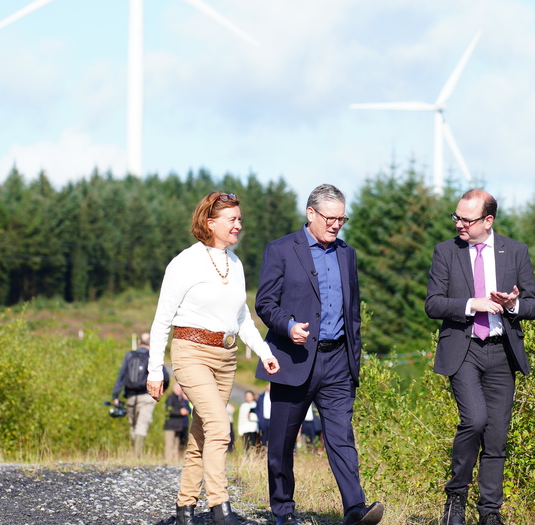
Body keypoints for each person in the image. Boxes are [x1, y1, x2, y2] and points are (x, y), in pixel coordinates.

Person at [146, 191, 281, 525]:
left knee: (202, 434)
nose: (239, 225)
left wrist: (265, 353)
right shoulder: (184, 263)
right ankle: (220, 508)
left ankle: (184, 509)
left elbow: (242, 319)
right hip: (190, 352)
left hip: (227, 357)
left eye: (239, 219)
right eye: (232, 219)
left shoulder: (235, 264)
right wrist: (154, 371)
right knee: (220, 426)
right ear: (210, 222)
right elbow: (162, 319)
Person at [255, 184, 383, 525]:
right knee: (282, 442)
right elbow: (265, 303)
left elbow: (352, 311)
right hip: (293, 360)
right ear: (310, 213)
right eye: (331, 217)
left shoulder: (347, 253)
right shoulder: (280, 250)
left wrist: (355, 358)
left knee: (342, 436)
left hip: (338, 361)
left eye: (342, 218)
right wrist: (288, 325)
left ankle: (355, 508)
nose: (336, 224)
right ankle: (283, 510)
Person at [425, 189, 535, 525]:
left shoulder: (515, 252)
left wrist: (512, 305)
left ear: (488, 221)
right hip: (463, 350)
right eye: (456, 217)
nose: (459, 224)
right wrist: (469, 304)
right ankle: (455, 499)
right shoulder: (446, 252)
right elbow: (433, 303)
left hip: (502, 352)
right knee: (474, 420)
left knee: (496, 435)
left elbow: (534, 305)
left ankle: (490, 512)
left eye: (467, 219)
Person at [111, 332, 160, 456]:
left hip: (131, 396)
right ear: (151, 343)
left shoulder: (130, 356)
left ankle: (135, 454)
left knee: (133, 425)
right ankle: (137, 455)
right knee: (142, 425)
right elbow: (164, 376)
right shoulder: (153, 357)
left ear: (139, 342)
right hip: (147, 396)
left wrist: (115, 396)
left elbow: (121, 376)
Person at [164, 382, 191, 463]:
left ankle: (175, 461)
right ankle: (168, 461)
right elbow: (168, 411)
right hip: (170, 426)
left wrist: (185, 401)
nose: (180, 390)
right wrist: (180, 412)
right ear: (174, 388)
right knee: (170, 444)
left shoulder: (182, 399)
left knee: (176, 445)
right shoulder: (170, 398)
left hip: (179, 426)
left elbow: (189, 410)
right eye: (179, 388)